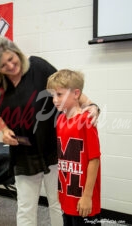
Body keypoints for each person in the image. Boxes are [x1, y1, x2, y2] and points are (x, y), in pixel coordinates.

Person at [0, 35, 100, 226]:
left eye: (11, 59)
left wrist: (91, 104)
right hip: (23, 154)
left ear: (16, 52)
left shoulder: (37, 66)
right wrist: (4, 130)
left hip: (54, 149)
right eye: (3, 66)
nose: (11, 66)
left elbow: (67, 88)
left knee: (57, 203)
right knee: (26, 207)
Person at [46, 69, 101, 226]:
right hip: (67, 196)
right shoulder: (61, 119)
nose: (54, 100)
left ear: (76, 94)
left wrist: (87, 196)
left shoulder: (86, 120)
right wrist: (61, 191)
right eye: (53, 95)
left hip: (83, 199)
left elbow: (94, 159)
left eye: (59, 94)